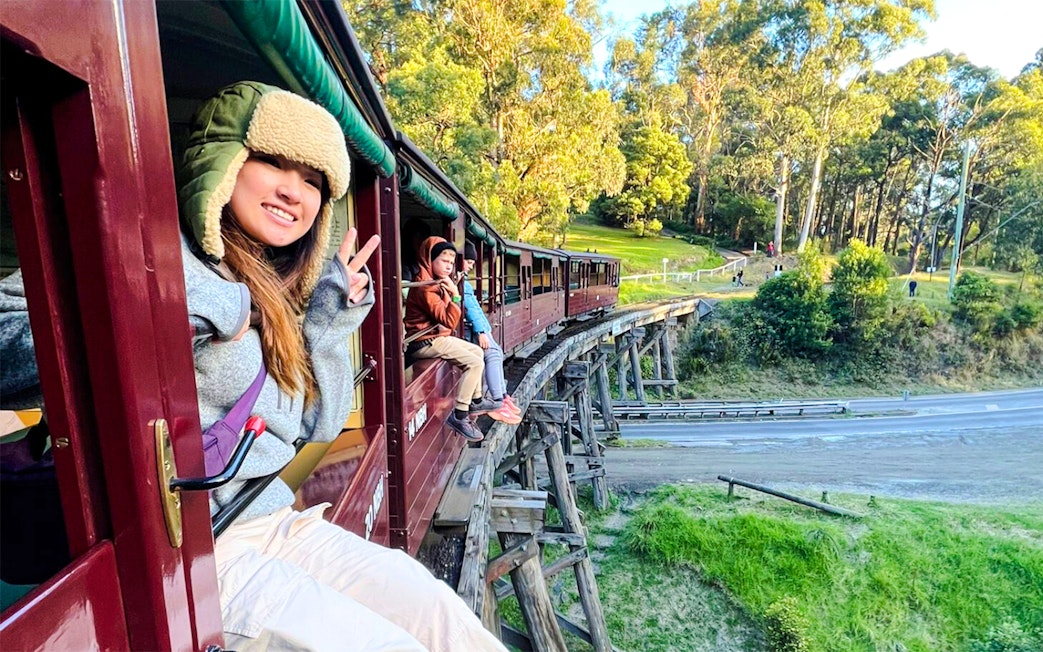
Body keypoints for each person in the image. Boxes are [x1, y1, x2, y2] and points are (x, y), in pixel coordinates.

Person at [179, 81, 507, 652]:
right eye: (274, 163)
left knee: (435, 609)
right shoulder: (159, 256)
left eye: (312, 181)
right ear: (226, 162)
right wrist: (207, 306)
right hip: (198, 554)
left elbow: (319, 427)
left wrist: (328, 323)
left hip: (273, 517)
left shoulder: (281, 287)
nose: (292, 191)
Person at [404, 237, 506, 441]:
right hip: (425, 343)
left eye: (451, 262)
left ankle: (476, 400)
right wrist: (455, 295)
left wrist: (450, 291)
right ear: (429, 259)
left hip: (436, 338)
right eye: (444, 261)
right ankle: (460, 414)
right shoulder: (426, 287)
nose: (449, 266)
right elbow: (450, 320)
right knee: (475, 362)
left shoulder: (435, 282)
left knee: (478, 351)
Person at [460, 242, 521, 424]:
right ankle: (498, 402)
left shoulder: (461, 281)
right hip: (471, 331)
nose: (471, 266)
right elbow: (471, 308)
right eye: (469, 261)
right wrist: (481, 331)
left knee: (497, 352)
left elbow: (475, 309)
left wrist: (485, 329)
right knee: (493, 354)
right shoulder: (459, 282)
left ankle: (502, 396)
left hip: (476, 329)